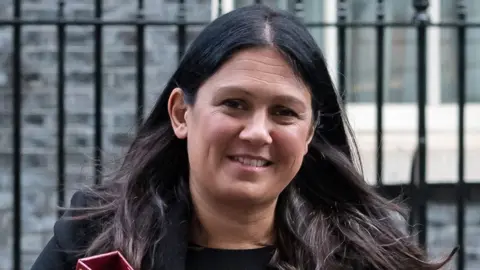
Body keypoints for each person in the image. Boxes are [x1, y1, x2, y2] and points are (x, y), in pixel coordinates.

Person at [31, 4, 455, 270]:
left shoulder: (366, 257)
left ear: (309, 133)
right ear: (181, 113)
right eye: (234, 104)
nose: (256, 133)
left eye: (284, 113)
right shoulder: (94, 238)